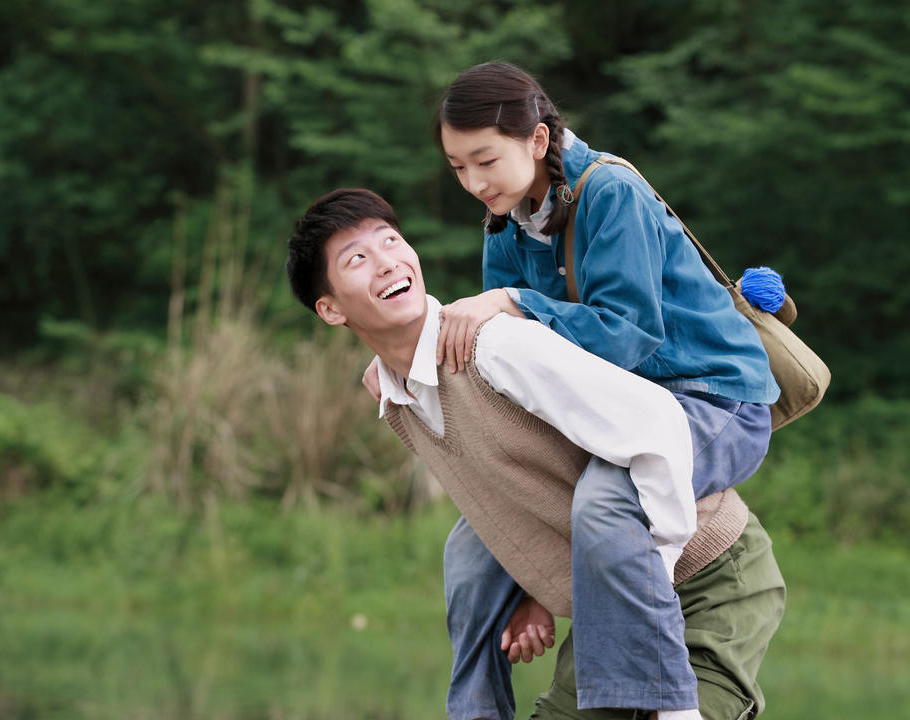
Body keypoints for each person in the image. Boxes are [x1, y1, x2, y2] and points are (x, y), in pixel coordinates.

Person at [287, 189, 785, 720]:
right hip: (613, 606)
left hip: (708, 578)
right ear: (330, 309)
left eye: (390, 241)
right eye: (357, 259)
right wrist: (540, 589)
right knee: (465, 549)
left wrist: (642, 564)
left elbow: (660, 425)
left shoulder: (497, 346)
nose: (387, 261)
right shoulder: (395, 396)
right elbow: (518, 493)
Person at [401, 62, 780, 720]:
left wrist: (514, 301)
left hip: (714, 402)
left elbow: (626, 336)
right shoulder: (504, 224)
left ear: (538, 142)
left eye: (484, 160)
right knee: (471, 541)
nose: (473, 183)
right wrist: (532, 579)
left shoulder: (612, 193)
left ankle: (668, 711)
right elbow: (536, 387)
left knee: (609, 500)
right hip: (623, 418)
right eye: (458, 168)